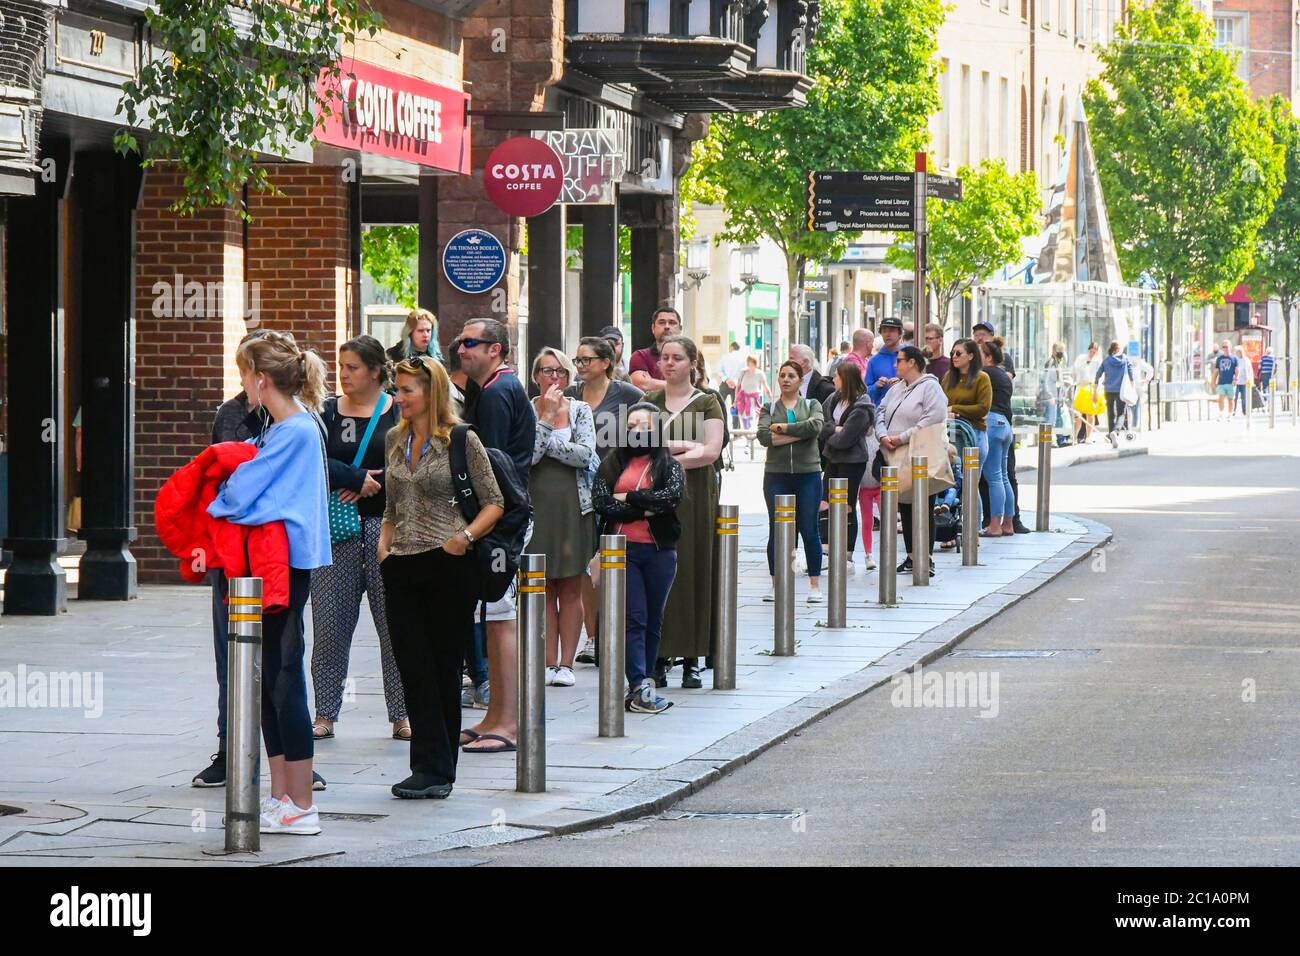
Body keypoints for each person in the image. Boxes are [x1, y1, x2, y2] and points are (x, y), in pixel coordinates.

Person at [207, 329, 331, 835]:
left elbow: (240, 492)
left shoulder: (296, 431)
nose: (241, 385)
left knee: (284, 678)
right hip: (273, 562)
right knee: (268, 682)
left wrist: (213, 504)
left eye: (243, 374)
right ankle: (283, 795)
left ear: (261, 380)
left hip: (285, 565)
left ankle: (299, 802)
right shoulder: (282, 430)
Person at [380, 356, 504, 798]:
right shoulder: (395, 439)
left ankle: (439, 769)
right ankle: (423, 764)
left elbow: (494, 501)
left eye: (407, 390)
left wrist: (464, 538)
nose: (398, 398)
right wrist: (384, 547)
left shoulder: (461, 439)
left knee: (444, 666)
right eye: (397, 389)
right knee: (412, 666)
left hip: (448, 563)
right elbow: (391, 506)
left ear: (430, 392)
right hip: (401, 565)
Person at [311, 336, 408, 742]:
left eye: (352, 367)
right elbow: (311, 457)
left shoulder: (397, 410)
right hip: (337, 531)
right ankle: (325, 713)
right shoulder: (326, 411)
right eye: (341, 366)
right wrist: (353, 478)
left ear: (374, 371)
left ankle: (402, 714)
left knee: (395, 626)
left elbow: (413, 459)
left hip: (389, 529)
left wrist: (374, 483)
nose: (344, 374)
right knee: (330, 626)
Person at [457, 318, 535, 754]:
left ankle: (508, 722)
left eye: (472, 342)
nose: (462, 349)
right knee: (492, 618)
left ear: (496, 350)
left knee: (502, 618)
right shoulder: (488, 390)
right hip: (500, 520)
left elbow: (491, 468)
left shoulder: (498, 392)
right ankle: (495, 714)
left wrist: (479, 527)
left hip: (502, 524)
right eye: (461, 341)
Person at [192, 354, 267, 789]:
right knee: (231, 652)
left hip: (279, 555)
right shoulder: (231, 413)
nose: (248, 380)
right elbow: (224, 477)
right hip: (232, 550)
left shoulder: (297, 415)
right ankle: (230, 747)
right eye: (244, 371)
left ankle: (287, 756)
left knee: (282, 657)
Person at [591, 402, 685, 714]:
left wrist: (628, 497)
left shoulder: (668, 465)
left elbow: (670, 498)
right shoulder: (612, 462)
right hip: (623, 551)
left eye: (643, 425)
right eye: (631, 426)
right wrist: (643, 507)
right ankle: (638, 685)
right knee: (635, 617)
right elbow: (602, 502)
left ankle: (642, 681)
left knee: (653, 619)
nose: (636, 431)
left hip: (659, 551)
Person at [644, 335, 724, 689]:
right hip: (656, 498)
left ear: (692, 362)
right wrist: (682, 448)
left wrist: (667, 455)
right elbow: (634, 447)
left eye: (677, 357)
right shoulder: (647, 401)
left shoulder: (707, 402)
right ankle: (659, 656)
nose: (670, 363)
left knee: (693, 569)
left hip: (695, 499)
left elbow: (710, 452)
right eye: (665, 357)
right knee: (659, 575)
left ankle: (692, 657)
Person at [566, 336, 644, 664]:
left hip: (615, 484)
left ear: (605, 362)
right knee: (585, 565)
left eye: (587, 360)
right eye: (578, 360)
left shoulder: (626, 394)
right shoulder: (570, 395)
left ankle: (613, 629)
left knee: (609, 560)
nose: (581, 365)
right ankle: (593, 636)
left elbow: (649, 422)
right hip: (577, 487)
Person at [527, 347, 597, 687]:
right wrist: (545, 419)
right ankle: (547, 660)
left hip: (574, 505)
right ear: (536, 375)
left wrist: (548, 443)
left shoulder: (581, 411)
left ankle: (566, 663)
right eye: (546, 370)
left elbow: (585, 455)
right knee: (542, 584)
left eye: (560, 372)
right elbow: (527, 457)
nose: (554, 377)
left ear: (568, 378)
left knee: (570, 583)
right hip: (536, 506)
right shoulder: (526, 410)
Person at [758, 360, 826, 603]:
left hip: (808, 474)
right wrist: (800, 435)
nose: (786, 379)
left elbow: (816, 426)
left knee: (809, 529)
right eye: (782, 375)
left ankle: (814, 585)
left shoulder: (812, 404)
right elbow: (764, 436)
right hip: (776, 474)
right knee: (777, 530)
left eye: (791, 376)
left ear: (800, 380)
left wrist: (783, 428)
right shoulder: (768, 407)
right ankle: (776, 584)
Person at [876, 346, 948, 575]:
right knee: (904, 503)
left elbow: (934, 416)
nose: (895, 365)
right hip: (894, 453)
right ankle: (910, 555)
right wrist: (883, 435)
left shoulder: (930, 387)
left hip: (919, 452)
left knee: (923, 502)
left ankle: (926, 557)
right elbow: (880, 412)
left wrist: (903, 437)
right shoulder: (896, 388)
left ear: (913, 363)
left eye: (900, 360)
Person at [818, 360, 876, 571]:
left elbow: (847, 438)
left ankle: (847, 553)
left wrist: (832, 432)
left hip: (852, 460)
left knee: (847, 505)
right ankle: (825, 549)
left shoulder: (862, 404)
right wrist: (835, 430)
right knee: (824, 502)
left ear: (846, 379)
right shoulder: (833, 399)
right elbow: (822, 428)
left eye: (837, 376)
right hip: (832, 459)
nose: (833, 379)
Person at [942, 339, 992, 524]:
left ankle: (973, 530)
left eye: (958, 353)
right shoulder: (949, 377)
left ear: (971, 356)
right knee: (950, 483)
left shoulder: (981, 378)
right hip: (951, 435)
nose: (954, 357)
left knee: (970, 484)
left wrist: (956, 408)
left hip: (974, 434)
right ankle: (949, 527)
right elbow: (940, 401)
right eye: (952, 353)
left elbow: (983, 408)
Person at [978, 339, 1016, 537]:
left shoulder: (985, 374)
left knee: (993, 477)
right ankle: (1008, 523)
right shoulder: (1003, 375)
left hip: (991, 423)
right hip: (1004, 424)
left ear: (988, 357)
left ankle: (994, 525)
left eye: (980, 353)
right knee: (1002, 476)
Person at [628, 307, 683, 392]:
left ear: (680, 329)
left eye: (672, 323)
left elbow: (696, 386)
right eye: (662, 322)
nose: (667, 326)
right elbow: (642, 384)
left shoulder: (689, 356)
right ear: (653, 328)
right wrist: (678, 386)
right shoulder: (640, 356)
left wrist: (652, 383)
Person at [1094, 341, 1135, 438]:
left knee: (1110, 412)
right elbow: (1131, 373)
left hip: (1108, 389)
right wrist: (1132, 386)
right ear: (1117, 349)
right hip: (1121, 390)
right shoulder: (1125, 359)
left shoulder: (1107, 360)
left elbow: (1098, 373)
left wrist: (1096, 384)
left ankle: (1110, 433)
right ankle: (1115, 432)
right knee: (1121, 413)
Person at [866, 317, 904, 405]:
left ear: (900, 333)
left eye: (892, 331)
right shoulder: (873, 361)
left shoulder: (910, 355)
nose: (887, 334)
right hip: (882, 413)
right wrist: (876, 386)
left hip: (907, 411)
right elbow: (866, 393)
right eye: (884, 331)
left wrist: (902, 383)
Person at [735, 354, 771, 430]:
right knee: (744, 419)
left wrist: (771, 399)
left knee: (752, 418)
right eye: (749, 363)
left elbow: (766, 387)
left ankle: (750, 436)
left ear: (755, 363)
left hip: (753, 400)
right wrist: (735, 400)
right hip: (743, 399)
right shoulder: (743, 372)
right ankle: (747, 435)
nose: (750, 365)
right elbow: (738, 386)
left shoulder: (760, 374)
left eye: (752, 363)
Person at [717, 341, 747, 419]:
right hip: (737, 385)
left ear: (731, 347)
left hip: (725, 383)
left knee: (719, 404)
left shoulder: (725, 357)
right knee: (736, 406)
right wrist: (736, 381)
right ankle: (736, 428)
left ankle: (722, 423)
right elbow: (744, 373)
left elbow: (719, 370)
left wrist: (727, 380)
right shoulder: (743, 359)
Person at [1211, 340, 1238, 419]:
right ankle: (1221, 413)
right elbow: (1216, 371)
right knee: (1220, 398)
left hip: (1230, 382)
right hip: (1221, 382)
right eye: (1223, 347)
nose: (1225, 348)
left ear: (1230, 347)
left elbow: (1237, 370)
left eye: (1226, 347)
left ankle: (1230, 415)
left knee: (1230, 400)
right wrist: (1213, 381)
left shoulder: (1234, 358)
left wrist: (1236, 379)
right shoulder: (1219, 358)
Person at [1233, 344, 1254, 418]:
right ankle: (1233, 410)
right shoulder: (1235, 359)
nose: (1236, 353)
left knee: (1244, 397)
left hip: (1245, 382)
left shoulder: (1246, 360)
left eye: (1238, 352)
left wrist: (1251, 381)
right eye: (1236, 352)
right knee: (1234, 397)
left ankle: (1245, 411)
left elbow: (1250, 371)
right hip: (1236, 382)